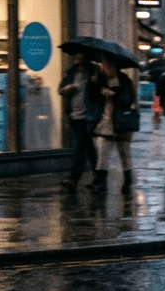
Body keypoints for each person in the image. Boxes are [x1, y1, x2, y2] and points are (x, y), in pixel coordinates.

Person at [87, 57, 137, 194]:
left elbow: (128, 99)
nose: (105, 69)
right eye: (103, 66)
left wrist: (114, 94)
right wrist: (92, 84)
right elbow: (91, 96)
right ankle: (100, 181)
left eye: (108, 66)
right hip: (105, 121)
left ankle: (128, 179)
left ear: (114, 67)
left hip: (121, 122)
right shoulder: (99, 80)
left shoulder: (124, 80)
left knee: (124, 152)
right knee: (102, 151)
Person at [58, 52, 98, 189]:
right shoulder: (72, 72)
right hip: (74, 114)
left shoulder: (95, 72)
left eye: (82, 58)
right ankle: (99, 176)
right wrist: (66, 89)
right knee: (88, 147)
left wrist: (95, 83)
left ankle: (74, 178)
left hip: (88, 115)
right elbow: (61, 90)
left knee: (81, 145)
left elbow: (99, 92)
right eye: (77, 58)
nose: (79, 60)